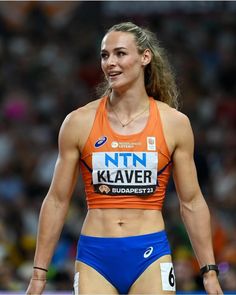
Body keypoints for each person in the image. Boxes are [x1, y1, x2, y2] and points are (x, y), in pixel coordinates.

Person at [26, 21, 223, 295]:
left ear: (145, 57)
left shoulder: (173, 123)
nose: (110, 63)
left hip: (150, 254)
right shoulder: (78, 122)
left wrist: (209, 272)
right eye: (105, 55)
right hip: (95, 256)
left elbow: (191, 202)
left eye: (120, 53)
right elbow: (57, 200)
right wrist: (38, 275)